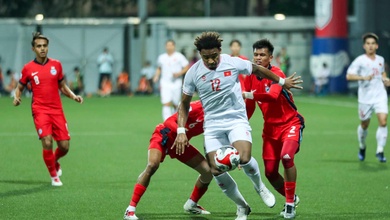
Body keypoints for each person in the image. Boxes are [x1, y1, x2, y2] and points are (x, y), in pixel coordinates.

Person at [173, 31, 302, 220]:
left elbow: (258, 70)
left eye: (214, 56)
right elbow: (184, 104)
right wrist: (181, 130)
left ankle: (260, 187)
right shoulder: (193, 72)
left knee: (244, 157)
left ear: (220, 50)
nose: (210, 61)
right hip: (213, 126)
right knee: (216, 169)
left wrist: (282, 82)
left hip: (235, 119)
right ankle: (242, 206)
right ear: (200, 55)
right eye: (206, 57)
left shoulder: (232, 62)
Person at [243, 39, 305, 219]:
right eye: (256, 54)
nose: (258, 58)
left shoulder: (277, 73)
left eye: (262, 55)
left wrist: (247, 94)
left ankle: (290, 205)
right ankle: (292, 197)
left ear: (270, 57)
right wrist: (243, 125)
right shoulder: (251, 76)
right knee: (270, 172)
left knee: (286, 157)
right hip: (270, 130)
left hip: (290, 124)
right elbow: (250, 105)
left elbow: (272, 96)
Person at [13, 32, 83, 186]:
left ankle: (55, 160)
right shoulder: (28, 68)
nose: (42, 49)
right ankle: (54, 176)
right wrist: (16, 97)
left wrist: (73, 96)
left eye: (45, 46)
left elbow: (62, 86)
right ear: (33, 49)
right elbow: (19, 87)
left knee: (64, 146)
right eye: (39, 46)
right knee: (47, 141)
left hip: (57, 110)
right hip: (40, 110)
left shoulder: (56, 65)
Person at [123, 101, 212, 220]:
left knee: (207, 171)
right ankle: (130, 210)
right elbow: (169, 121)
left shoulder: (217, 117)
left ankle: (191, 204)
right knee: (152, 165)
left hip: (180, 144)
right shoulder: (196, 107)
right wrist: (181, 132)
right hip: (164, 135)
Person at [346, 32, 390, 163]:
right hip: (365, 98)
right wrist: (363, 77)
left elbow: (382, 73)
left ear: (376, 46)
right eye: (368, 44)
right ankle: (362, 146)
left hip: (380, 95)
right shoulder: (360, 60)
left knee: (383, 121)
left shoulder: (380, 60)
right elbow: (349, 76)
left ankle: (380, 150)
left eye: (372, 44)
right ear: (364, 46)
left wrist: (385, 79)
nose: (370, 46)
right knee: (364, 125)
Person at [153, 40, 190, 120]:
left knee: (176, 103)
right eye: (167, 45)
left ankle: (175, 120)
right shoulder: (162, 57)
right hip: (165, 83)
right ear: (165, 46)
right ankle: (167, 122)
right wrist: (156, 76)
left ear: (174, 46)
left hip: (176, 83)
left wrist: (179, 73)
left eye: (171, 45)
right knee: (166, 103)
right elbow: (159, 68)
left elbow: (187, 66)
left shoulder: (179, 56)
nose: (169, 47)